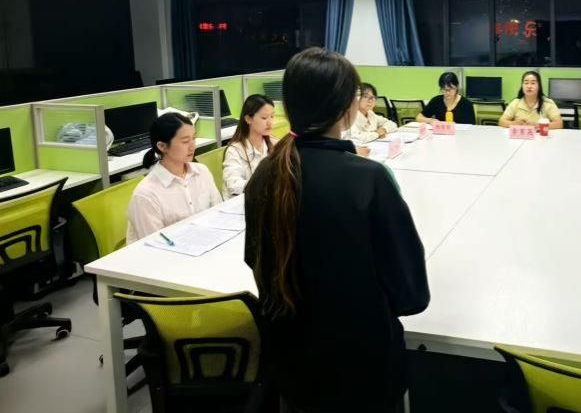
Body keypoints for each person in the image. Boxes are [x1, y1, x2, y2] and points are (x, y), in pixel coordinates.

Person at [244, 48, 429, 413]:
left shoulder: (266, 175)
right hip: (365, 372)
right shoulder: (369, 178)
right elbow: (412, 295)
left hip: (295, 370)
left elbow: (256, 261)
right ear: (347, 108)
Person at [126, 113, 222, 244]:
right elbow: (156, 245)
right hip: (168, 253)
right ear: (162, 146)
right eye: (185, 141)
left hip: (204, 244)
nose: (192, 146)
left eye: (193, 138)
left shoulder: (202, 171)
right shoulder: (146, 195)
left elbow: (219, 213)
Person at [222, 94, 277, 196]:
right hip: (241, 202)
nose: (270, 123)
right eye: (264, 118)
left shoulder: (274, 144)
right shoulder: (235, 150)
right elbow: (233, 185)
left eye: (272, 116)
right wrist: (265, 184)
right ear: (248, 119)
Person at [498, 71, 563, 129]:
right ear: (522, 86)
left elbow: (559, 124)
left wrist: (538, 125)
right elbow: (501, 121)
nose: (529, 86)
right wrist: (514, 123)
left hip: (540, 137)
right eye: (526, 83)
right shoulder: (516, 102)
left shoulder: (548, 102)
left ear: (539, 86)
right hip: (521, 137)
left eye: (533, 83)